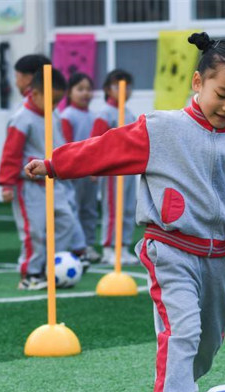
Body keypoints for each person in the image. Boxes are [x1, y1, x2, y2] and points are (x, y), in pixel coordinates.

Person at [25, 33, 225, 392]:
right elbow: (105, 149)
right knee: (183, 330)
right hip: (170, 248)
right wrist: (55, 164)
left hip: (218, 260)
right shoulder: (162, 129)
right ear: (197, 82)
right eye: (222, 94)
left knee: (207, 341)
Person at [0, 67, 82, 290]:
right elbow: (10, 154)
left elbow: (61, 145)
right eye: (52, 100)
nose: (54, 105)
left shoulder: (53, 115)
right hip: (29, 187)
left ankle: (51, 267)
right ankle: (30, 274)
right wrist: (6, 184)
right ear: (34, 94)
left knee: (66, 222)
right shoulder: (21, 119)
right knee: (33, 230)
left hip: (53, 182)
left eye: (58, 101)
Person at [91, 69, 139, 266]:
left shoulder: (129, 113)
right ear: (107, 89)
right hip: (112, 170)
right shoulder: (105, 114)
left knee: (128, 208)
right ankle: (108, 249)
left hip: (129, 169)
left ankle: (123, 247)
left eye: (128, 86)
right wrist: (94, 168)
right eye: (118, 86)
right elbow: (95, 142)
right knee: (113, 209)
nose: (124, 90)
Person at [61, 72, 101, 263]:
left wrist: (96, 167)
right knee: (73, 208)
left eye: (88, 89)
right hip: (74, 172)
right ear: (69, 92)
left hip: (90, 171)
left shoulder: (95, 116)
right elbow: (66, 144)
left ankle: (88, 244)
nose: (85, 93)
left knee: (90, 209)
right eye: (80, 89)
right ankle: (77, 246)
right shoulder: (67, 116)